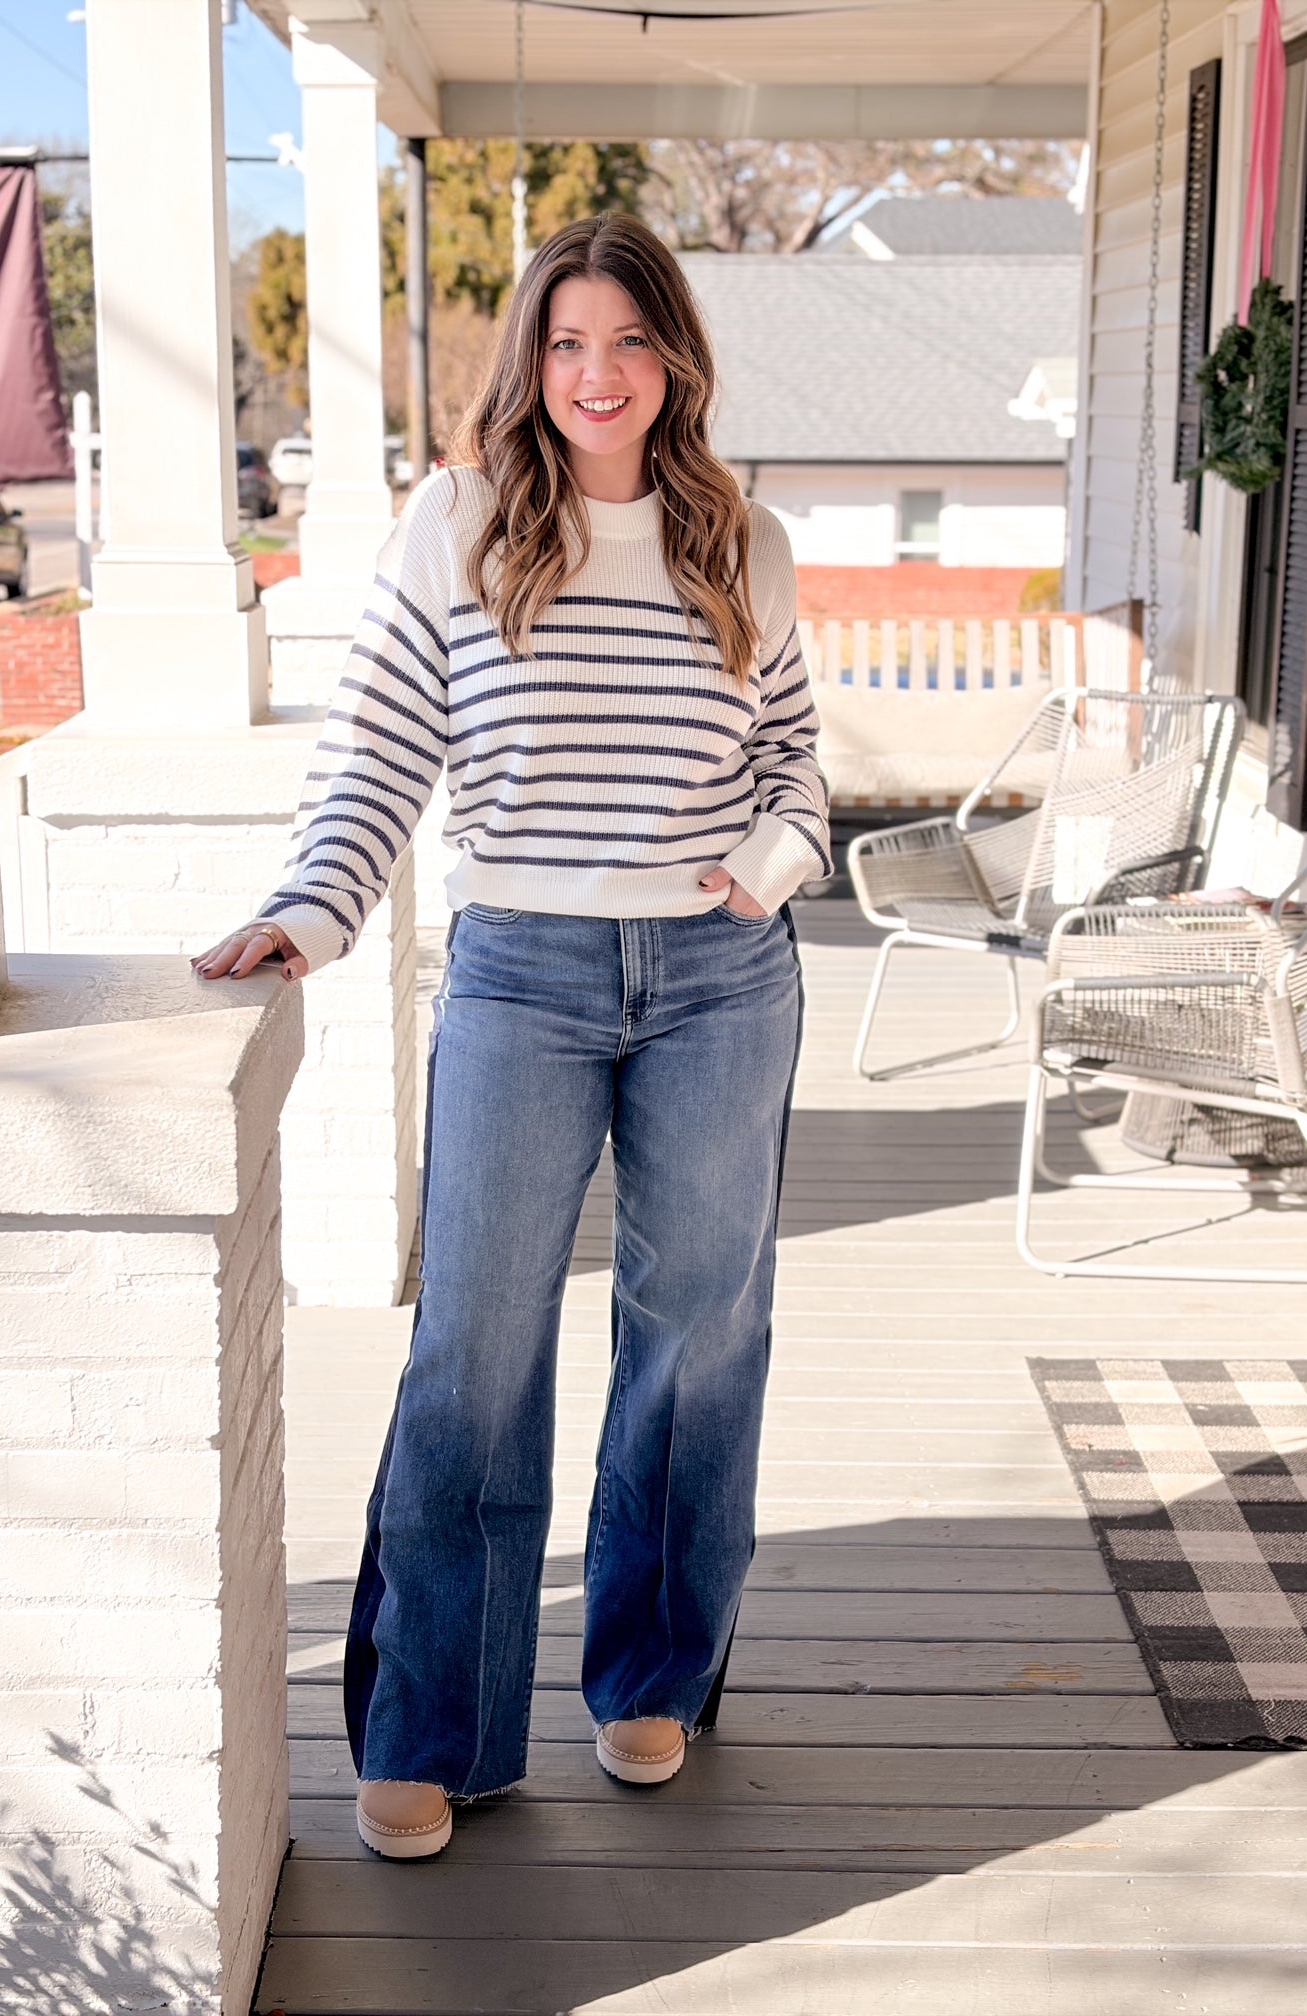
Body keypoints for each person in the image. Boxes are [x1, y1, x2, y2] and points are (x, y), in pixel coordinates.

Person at [194, 212, 831, 1860]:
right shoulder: (458, 523)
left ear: (673, 359)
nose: (596, 374)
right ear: (529, 362)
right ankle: (435, 1727)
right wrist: (309, 913)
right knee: (474, 1355)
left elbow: (801, 768)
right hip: (522, 978)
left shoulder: (739, 540)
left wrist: (769, 867)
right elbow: (378, 754)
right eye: (566, 343)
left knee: (696, 1344)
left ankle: (654, 1676)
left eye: (628, 341)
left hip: (719, 976)